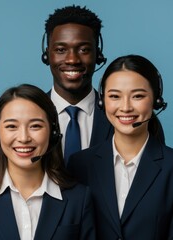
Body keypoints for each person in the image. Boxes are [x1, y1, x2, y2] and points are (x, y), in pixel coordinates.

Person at [0, 84, 96, 240]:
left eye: (35, 126)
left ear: (53, 132)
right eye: (11, 126)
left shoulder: (79, 199)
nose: (23, 138)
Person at [67, 55, 173, 239]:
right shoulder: (80, 165)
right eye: (114, 96)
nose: (125, 107)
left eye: (138, 96)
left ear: (156, 99)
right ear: (102, 101)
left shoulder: (171, 167)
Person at [42, 5, 112, 162]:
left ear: (98, 54)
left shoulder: (123, 115)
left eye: (84, 50)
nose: (72, 60)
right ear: (47, 54)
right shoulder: (28, 114)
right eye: (61, 50)